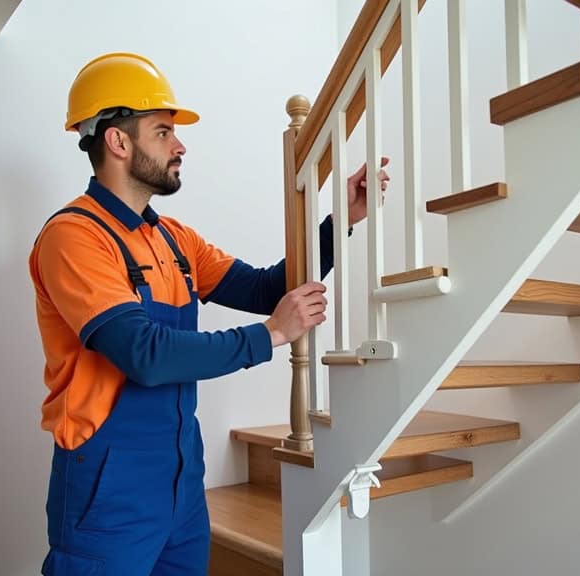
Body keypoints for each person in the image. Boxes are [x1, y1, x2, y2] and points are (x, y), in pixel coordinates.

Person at [29, 52, 388, 576]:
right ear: (118, 141)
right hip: (108, 491)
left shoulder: (175, 240)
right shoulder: (74, 237)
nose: (180, 146)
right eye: (162, 132)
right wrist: (269, 336)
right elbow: (144, 355)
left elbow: (268, 287)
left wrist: (340, 223)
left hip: (181, 487)